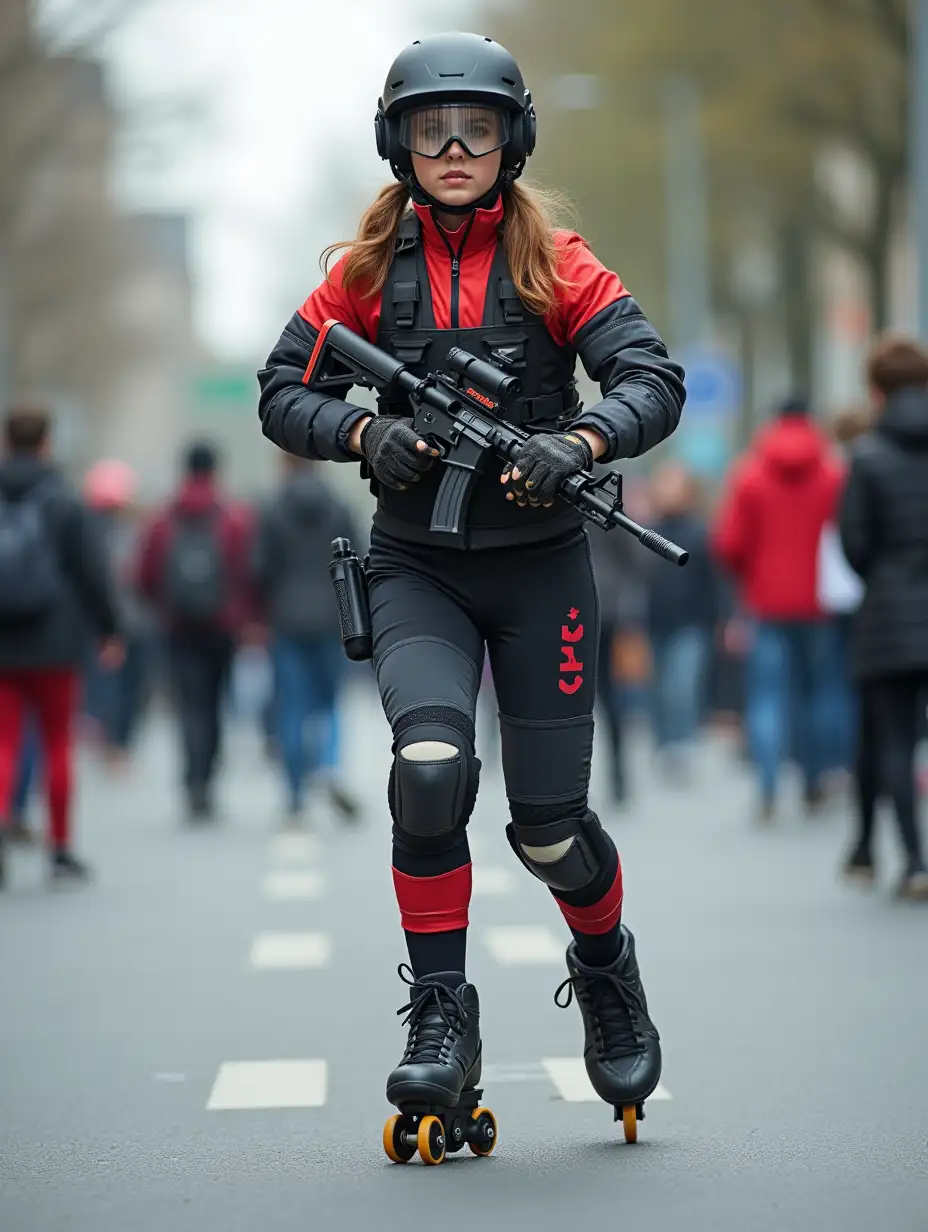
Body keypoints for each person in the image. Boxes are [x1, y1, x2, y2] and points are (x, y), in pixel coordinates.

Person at [257, 33, 685, 1151]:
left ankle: (604, 965)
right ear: (397, 141)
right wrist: (365, 426)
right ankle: (442, 1013)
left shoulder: (559, 263)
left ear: (512, 141)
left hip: (545, 567)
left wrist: (580, 437)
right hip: (417, 568)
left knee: (549, 831)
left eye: (478, 128)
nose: (454, 148)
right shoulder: (360, 273)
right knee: (430, 769)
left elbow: (652, 377)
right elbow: (278, 391)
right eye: (431, 128)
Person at [0, 405, 121, 886]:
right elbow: (92, 574)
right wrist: (109, 628)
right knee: (57, 744)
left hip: (3, 642)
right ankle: (59, 847)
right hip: (54, 642)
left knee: (4, 743)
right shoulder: (63, 501)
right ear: (47, 443)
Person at [713, 396, 845, 821]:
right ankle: (815, 780)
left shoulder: (750, 474)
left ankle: (768, 787)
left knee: (767, 695)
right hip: (822, 603)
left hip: (766, 602)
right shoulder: (834, 473)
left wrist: (749, 579)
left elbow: (729, 543)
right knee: (821, 692)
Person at [838, 336, 928, 900]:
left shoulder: (868, 459)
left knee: (892, 740)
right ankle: (870, 846)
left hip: (888, 620)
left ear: (876, 392)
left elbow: (854, 545)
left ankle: (914, 862)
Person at [135, 442, 251, 821]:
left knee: (189, 705)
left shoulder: (164, 517)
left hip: (178, 626)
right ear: (215, 470)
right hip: (222, 628)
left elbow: (145, 574)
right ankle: (207, 777)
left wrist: (163, 607)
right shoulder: (233, 517)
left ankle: (192, 779)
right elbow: (247, 572)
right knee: (215, 704)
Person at [251, 453, 362, 825]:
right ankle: (329, 766)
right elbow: (358, 560)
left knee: (292, 706)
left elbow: (259, 568)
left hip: (287, 620)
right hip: (333, 619)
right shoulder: (339, 507)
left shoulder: (272, 508)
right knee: (329, 703)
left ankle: (296, 790)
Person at [646, 463, 719, 777]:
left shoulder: (700, 532)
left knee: (682, 685)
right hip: (653, 622)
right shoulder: (646, 530)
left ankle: (682, 744)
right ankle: (664, 744)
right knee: (658, 687)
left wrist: (723, 618)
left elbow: (715, 580)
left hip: (692, 622)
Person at [82, 459, 155, 768]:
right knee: (127, 688)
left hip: (109, 622)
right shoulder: (136, 531)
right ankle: (117, 744)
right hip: (134, 621)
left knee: (110, 685)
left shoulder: (89, 533)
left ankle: (113, 742)